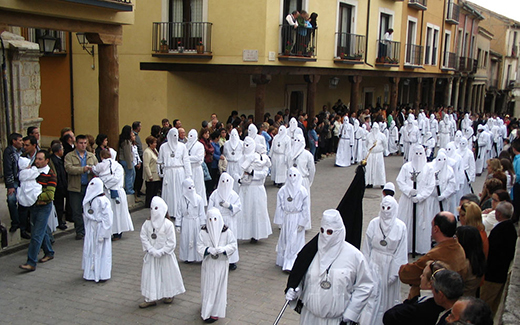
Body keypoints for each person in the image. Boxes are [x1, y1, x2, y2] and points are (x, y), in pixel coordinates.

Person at [284, 209, 374, 324]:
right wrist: (295, 290)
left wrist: (352, 312)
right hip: (310, 318)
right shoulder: (310, 253)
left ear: (339, 232)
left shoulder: (354, 256)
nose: (326, 235)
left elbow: (365, 285)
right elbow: (301, 278)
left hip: (336, 320)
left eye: (330, 232)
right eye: (322, 230)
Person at [360, 196, 407, 325]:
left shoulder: (400, 226)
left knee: (388, 296)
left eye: (389, 208)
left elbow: (401, 251)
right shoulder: (374, 223)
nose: (386, 211)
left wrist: (395, 271)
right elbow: (367, 246)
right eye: (383, 207)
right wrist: (365, 266)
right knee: (373, 295)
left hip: (390, 264)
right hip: (374, 261)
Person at [399, 212, 467, 299]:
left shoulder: (435, 254)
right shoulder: (458, 247)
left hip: (432, 299)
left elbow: (406, 274)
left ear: (436, 229)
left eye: (432, 226)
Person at [139, 196, 185, 308]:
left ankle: (168, 294)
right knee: (150, 276)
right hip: (152, 256)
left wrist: (162, 251)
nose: (154, 212)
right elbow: (143, 236)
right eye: (152, 209)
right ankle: (151, 297)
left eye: (156, 208)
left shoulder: (168, 224)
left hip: (165, 256)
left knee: (167, 275)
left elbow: (171, 242)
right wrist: (151, 249)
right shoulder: (147, 224)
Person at [197, 208, 237, 323]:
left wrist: (223, 249)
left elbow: (233, 245)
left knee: (219, 287)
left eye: (215, 219)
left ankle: (215, 311)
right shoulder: (203, 232)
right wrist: (208, 250)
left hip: (220, 264)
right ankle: (206, 308)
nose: (213, 222)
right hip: (209, 264)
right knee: (208, 286)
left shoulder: (227, 232)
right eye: (210, 219)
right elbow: (199, 246)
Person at [19, 151, 57, 272]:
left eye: (41, 159)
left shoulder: (50, 175)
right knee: (42, 229)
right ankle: (49, 252)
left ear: (47, 161)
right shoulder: (32, 171)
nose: (37, 161)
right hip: (33, 206)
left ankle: (31, 262)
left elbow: (50, 195)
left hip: (43, 207)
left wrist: (34, 197)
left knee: (36, 234)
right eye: (37, 159)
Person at [396, 145, 435, 254]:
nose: (418, 156)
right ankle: (406, 247)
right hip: (407, 200)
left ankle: (420, 247)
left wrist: (420, 197)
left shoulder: (429, 169)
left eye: (420, 153)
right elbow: (400, 181)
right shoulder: (406, 167)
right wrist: (409, 191)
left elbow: (430, 186)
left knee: (421, 224)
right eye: (416, 153)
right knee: (406, 221)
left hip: (422, 202)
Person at [480, 201, 517, 315]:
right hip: (499, 273)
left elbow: (493, 253)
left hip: (493, 276)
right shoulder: (510, 228)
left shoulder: (501, 230)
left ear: (499, 214)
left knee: (485, 305)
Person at [383, 260, 448, 325]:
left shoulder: (425, 308)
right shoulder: (424, 300)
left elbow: (389, 316)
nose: (420, 277)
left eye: (423, 275)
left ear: (430, 284)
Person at [92, 149, 134, 241]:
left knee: (117, 214)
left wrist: (104, 182)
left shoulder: (118, 167)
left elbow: (116, 179)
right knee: (108, 213)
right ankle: (108, 231)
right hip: (107, 193)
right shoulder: (103, 166)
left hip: (116, 192)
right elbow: (96, 171)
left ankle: (118, 232)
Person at [274, 167, 310, 272]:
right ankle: (284, 260)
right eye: (290, 175)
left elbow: (305, 208)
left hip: (297, 217)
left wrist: (303, 222)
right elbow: (279, 206)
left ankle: (292, 263)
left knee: (295, 240)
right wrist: (280, 220)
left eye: (294, 176)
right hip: (287, 217)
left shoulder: (302, 191)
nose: (292, 178)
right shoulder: (283, 191)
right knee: (285, 239)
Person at [237, 137, 272, 243]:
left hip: (257, 188)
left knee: (257, 211)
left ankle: (256, 234)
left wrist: (253, 173)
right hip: (245, 189)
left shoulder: (262, 160)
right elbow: (238, 171)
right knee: (246, 211)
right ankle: (244, 233)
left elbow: (264, 173)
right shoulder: (241, 158)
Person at [65, 135, 98, 240]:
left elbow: (97, 167)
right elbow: (69, 169)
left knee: (89, 209)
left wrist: (93, 170)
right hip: (75, 187)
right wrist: (82, 169)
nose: (83, 145)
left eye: (85, 143)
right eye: (81, 143)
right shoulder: (69, 156)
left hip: (89, 187)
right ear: (76, 144)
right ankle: (80, 231)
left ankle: (90, 229)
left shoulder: (91, 156)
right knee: (76, 210)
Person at [80, 177, 113, 282]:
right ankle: (90, 273)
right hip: (91, 228)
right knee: (90, 249)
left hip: (99, 228)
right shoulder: (89, 200)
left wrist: (103, 233)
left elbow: (108, 219)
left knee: (101, 251)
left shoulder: (104, 201)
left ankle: (102, 274)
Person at [207, 172, 241, 270]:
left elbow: (238, 207)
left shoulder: (233, 195)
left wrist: (230, 206)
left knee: (230, 239)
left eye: (227, 181)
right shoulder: (215, 194)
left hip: (230, 219)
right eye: (222, 181)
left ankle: (232, 261)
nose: (225, 183)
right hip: (218, 220)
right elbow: (210, 207)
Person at [157, 128, 192, 219]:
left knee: (179, 192)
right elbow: (160, 161)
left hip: (179, 172)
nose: (175, 138)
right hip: (168, 172)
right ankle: (169, 212)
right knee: (169, 193)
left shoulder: (182, 146)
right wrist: (160, 173)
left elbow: (186, 160)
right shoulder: (163, 147)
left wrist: (188, 175)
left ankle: (179, 211)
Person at [176, 178, 205, 263]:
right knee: (186, 239)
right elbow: (179, 212)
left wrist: (203, 224)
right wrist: (178, 224)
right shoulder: (181, 199)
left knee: (197, 240)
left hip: (196, 222)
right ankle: (187, 257)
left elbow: (202, 213)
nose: (191, 190)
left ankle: (199, 257)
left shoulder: (199, 199)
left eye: (193, 187)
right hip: (186, 222)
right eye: (189, 188)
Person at [455, 226, 486, 297]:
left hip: (461, 299)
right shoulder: (478, 258)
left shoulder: (464, 264)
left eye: (456, 239)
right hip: (471, 296)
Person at [4, 133, 25, 235]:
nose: (22, 142)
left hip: (23, 179)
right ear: (14, 141)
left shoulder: (23, 151)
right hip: (14, 180)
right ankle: (15, 222)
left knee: (23, 202)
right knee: (11, 200)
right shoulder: (9, 152)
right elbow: (8, 169)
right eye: (20, 140)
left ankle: (23, 225)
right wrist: (10, 185)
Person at [428, 151, 457, 215]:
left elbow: (452, 185)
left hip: (443, 199)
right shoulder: (431, 169)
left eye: (444, 159)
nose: (441, 162)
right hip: (432, 199)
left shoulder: (449, 170)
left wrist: (444, 195)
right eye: (439, 160)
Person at [186, 129, 208, 206]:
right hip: (188, 169)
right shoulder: (186, 145)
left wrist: (187, 158)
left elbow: (198, 158)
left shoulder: (200, 145)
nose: (190, 137)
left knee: (198, 186)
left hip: (197, 168)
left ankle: (199, 203)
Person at [49, 143, 68, 230]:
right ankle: (59, 221)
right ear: (59, 151)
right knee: (58, 205)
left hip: (60, 185)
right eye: (62, 149)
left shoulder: (58, 159)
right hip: (58, 186)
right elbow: (59, 175)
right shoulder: (55, 161)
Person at [365, 123, 388, 189]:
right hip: (371, 154)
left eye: (376, 128)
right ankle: (370, 182)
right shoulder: (369, 135)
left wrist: (380, 150)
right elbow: (366, 144)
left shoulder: (382, 136)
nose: (375, 130)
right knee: (370, 169)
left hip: (378, 154)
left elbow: (385, 144)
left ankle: (382, 182)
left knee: (379, 168)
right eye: (374, 128)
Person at [223, 128, 243, 192]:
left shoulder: (241, 143)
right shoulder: (226, 143)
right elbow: (225, 153)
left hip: (238, 164)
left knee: (237, 180)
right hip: (230, 164)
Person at [142, 136, 161, 208]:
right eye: (154, 143)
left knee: (155, 191)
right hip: (151, 175)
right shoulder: (147, 152)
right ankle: (149, 205)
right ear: (150, 144)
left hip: (156, 174)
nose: (155, 144)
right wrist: (149, 176)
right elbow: (146, 165)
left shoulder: (154, 150)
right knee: (150, 191)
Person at [117, 125, 135, 195]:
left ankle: (128, 188)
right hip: (126, 161)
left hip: (124, 160)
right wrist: (130, 164)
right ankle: (129, 189)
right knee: (129, 175)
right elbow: (127, 154)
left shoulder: (123, 140)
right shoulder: (126, 142)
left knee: (129, 174)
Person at [132, 121, 144, 199]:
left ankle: (138, 190)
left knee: (140, 176)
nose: (141, 128)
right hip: (137, 157)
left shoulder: (137, 135)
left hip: (139, 157)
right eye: (140, 126)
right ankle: (136, 191)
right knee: (137, 176)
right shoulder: (134, 135)